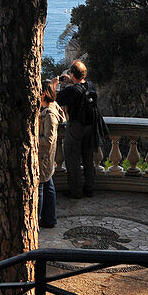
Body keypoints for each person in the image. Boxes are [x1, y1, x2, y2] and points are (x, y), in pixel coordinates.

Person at [57, 60, 99, 199]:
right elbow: (79, 90)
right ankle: (90, 189)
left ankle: (76, 191)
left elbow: (56, 99)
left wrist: (56, 83)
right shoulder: (90, 85)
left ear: (72, 74)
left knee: (72, 159)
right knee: (88, 158)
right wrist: (72, 82)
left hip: (76, 127)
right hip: (90, 126)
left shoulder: (71, 90)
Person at [37, 79, 64, 228]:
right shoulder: (53, 107)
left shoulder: (49, 115)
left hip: (44, 156)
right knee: (48, 186)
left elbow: (48, 139)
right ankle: (49, 219)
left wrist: (34, 137)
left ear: (43, 94)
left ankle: (39, 221)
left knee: (41, 187)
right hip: (47, 156)